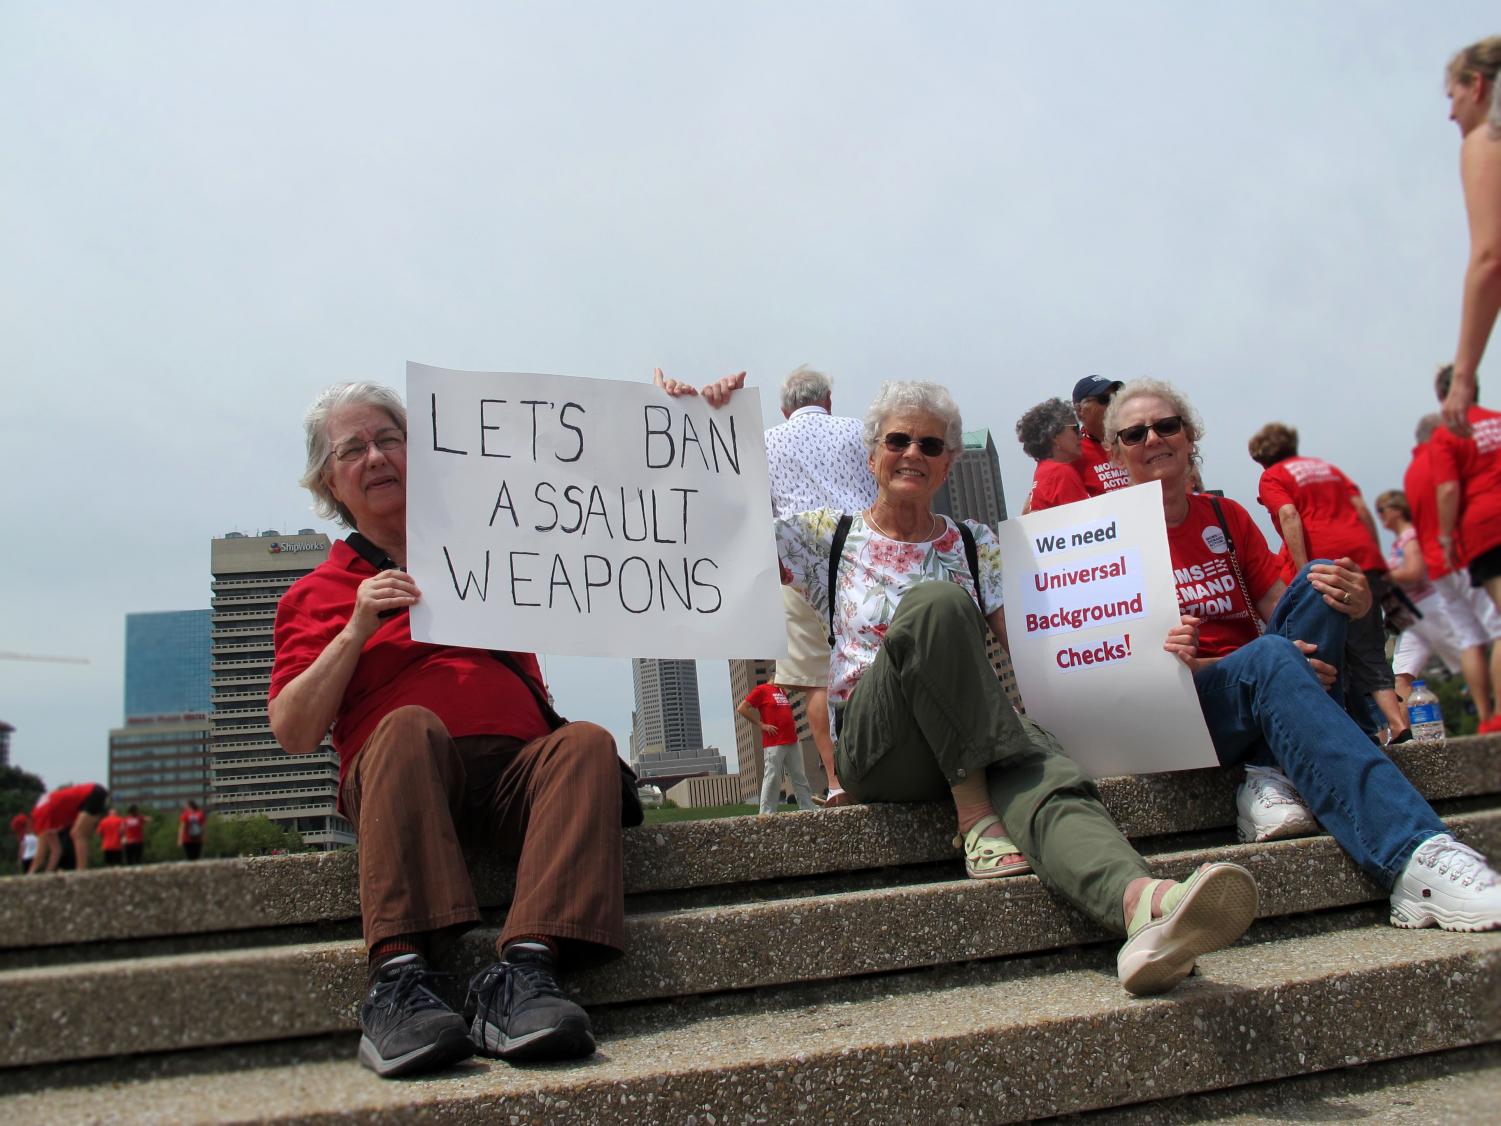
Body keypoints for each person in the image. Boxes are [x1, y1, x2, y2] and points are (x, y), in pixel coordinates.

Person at [761, 379, 1259, 997]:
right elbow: (716, 524)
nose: (913, 452)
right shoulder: (822, 537)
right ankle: (975, 816)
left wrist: (1149, 650)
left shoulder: (978, 544)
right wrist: (697, 412)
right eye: (898, 440)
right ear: (872, 457)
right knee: (937, 605)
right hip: (881, 749)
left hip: (969, 728)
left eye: (930, 443)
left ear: (948, 462)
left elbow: (1041, 644)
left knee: (1040, 764)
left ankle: (1143, 905)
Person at [269, 382, 632, 1079]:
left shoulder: (489, 555)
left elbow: (610, 499)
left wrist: (681, 412)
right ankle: (399, 979)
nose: (376, 456)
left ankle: (524, 973)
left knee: (586, 741)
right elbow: (292, 729)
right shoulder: (314, 594)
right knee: (407, 727)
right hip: (404, 771)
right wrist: (355, 628)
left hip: (516, 778)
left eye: (390, 439)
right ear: (329, 480)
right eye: (353, 449)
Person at [1104, 378, 1501, 931]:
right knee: (1270, 656)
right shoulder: (1110, 538)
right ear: (1116, 451)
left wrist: (1358, 605)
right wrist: (1228, 662)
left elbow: (1281, 606)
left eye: (1167, 425)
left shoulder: (1225, 516)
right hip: (1189, 708)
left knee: (1323, 578)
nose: (1153, 438)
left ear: (1190, 436)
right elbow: (1113, 668)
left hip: (1263, 681)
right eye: (1134, 432)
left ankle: (1268, 769)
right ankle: (1415, 856)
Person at [744, 364, 876, 807]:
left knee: (818, 680)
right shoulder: (859, 431)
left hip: (798, 562)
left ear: (785, 409)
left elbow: (757, 510)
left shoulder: (763, 443)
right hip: (861, 554)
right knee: (877, 660)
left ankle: (839, 782)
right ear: (829, 401)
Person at [1247, 422, 1408, 741]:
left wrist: (1305, 572)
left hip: (1327, 564)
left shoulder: (1273, 476)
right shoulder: (1326, 468)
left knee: (1329, 652)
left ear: (1262, 460)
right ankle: (1398, 724)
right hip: (1363, 560)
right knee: (1370, 648)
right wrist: (1373, 557)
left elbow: (1289, 515)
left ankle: (1360, 732)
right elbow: (1361, 510)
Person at [1404, 408, 1501, 731]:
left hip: (1437, 568)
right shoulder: (1441, 458)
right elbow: (1454, 495)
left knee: (1470, 638)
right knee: (1497, 627)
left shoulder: (1412, 471)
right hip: (1461, 554)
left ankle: (1486, 718)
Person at [1440, 37, 1501, 432]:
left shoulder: (1487, 139)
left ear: (1477, 85)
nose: (1451, 113)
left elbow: (1490, 257)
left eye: (1453, 95)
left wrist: (1462, 378)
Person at [1432, 366, 1501, 624]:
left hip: (1489, 530)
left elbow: (1448, 489)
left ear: (1443, 396)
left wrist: (1446, 538)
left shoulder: (1446, 435)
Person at [737, 681, 815, 814]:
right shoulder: (761, 690)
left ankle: (808, 807)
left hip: (791, 740)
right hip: (774, 741)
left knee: (799, 775)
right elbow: (742, 708)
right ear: (775, 674)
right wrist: (761, 725)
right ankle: (766, 812)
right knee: (772, 776)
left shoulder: (782, 691)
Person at [1016, 398, 1089, 513]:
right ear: (1055, 436)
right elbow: (1086, 520)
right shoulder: (1061, 473)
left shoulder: (1043, 471)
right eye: (1075, 429)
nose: (1081, 435)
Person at [28, 783, 109, 873]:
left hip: (92, 793)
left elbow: (40, 856)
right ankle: (81, 870)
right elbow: (56, 850)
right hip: (91, 794)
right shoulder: (47, 813)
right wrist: (48, 872)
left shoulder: (40, 816)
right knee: (78, 834)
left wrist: (29, 875)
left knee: (77, 833)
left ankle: (81, 872)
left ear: (30, 825)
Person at [1071, 375, 1128, 495]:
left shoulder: (1134, 438)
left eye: (1115, 398)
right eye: (1105, 400)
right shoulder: (1071, 452)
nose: (1113, 405)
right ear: (1080, 410)